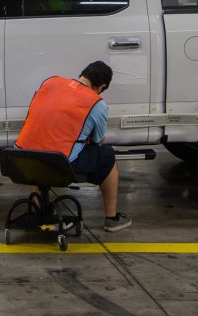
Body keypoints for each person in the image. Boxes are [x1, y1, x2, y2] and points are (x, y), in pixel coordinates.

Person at [14, 60, 132, 232]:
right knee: (107, 155)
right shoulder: (97, 103)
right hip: (59, 165)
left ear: (82, 74)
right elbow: (97, 140)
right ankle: (112, 218)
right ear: (102, 86)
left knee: (40, 148)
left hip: (22, 159)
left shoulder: (51, 82)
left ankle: (39, 210)